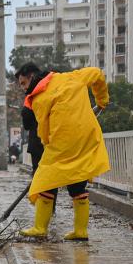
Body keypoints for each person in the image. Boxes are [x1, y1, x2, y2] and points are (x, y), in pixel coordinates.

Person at [14, 62, 110, 241]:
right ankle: (81, 231)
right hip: (87, 139)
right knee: (78, 183)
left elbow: (43, 128)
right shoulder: (72, 77)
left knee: (44, 180)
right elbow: (97, 74)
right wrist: (101, 101)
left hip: (62, 143)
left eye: (23, 83)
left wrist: (45, 143)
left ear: (33, 77)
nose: (23, 88)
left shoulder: (39, 98)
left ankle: (39, 227)